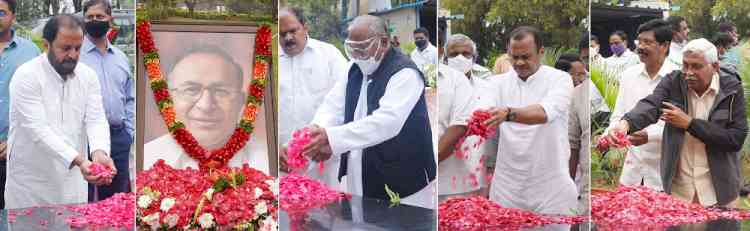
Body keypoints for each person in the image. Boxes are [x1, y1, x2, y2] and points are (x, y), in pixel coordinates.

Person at [302, 15, 436, 208]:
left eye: (362, 48)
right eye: (352, 48)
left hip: (402, 175)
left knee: (401, 221)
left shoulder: (405, 72)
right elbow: (333, 105)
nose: (356, 55)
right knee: (364, 220)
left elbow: (386, 123)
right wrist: (318, 128)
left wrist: (331, 138)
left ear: (383, 42)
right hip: (361, 168)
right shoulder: (354, 68)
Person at [606, 38, 747, 207]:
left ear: (715, 67)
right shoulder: (674, 82)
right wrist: (626, 124)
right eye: (685, 65)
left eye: (696, 66)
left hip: (720, 192)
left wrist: (690, 124)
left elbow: (735, 138)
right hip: (679, 192)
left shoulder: (731, 89)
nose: (688, 72)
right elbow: (652, 104)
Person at [5, 14, 114, 209]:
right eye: (65, 48)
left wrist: (99, 152)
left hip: (73, 184)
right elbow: (38, 130)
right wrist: (80, 160)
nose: (73, 55)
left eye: (78, 48)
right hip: (31, 187)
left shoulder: (87, 76)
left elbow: (96, 118)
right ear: (46, 45)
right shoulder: (26, 75)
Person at [482, 26, 577, 216]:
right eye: (514, 57)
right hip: (507, 189)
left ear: (541, 52)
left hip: (551, 189)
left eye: (525, 56)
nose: (519, 62)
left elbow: (544, 113)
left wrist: (508, 114)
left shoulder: (560, 79)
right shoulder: (496, 83)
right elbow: (483, 113)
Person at [143, 47, 269, 174]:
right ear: (169, 98)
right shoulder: (146, 160)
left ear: (240, 101)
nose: (206, 105)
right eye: (191, 90)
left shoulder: (267, 163)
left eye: (221, 91)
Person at [278, 7, 348, 188]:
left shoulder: (329, 55)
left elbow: (347, 99)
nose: (288, 38)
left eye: (293, 31)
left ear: (305, 27)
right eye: (282, 34)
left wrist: (331, 140)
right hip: (284, 160)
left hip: (324, 157)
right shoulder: (270, 61)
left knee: (328, 211)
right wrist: (275, 148)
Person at [607, 19, 679, 191]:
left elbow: (679, 124)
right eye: (639, 41)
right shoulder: (628, 76)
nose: (641, 47)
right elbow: (618, 114)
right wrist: (613, 131)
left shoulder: (678, 78)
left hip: (663, 176)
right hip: (631, 174)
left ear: (664, 46)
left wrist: (650, 135)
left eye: (648, 42)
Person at [79, 0, 134, 201]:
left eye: (99, 17)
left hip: (119, 137)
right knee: (88, 200)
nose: (94, 21)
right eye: (90, 17)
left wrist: (129, 131)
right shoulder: (75, 56)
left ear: (110, 19)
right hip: (85, 139)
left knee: (118, 199)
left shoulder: (120, 58)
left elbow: (129, 97)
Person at [0, 0, 41, 209]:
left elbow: (41, 101)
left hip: (18, 151)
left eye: (1, 13)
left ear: (13, 17)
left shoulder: (31, 52)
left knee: (16, 212)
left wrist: (15, 139)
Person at [436, 28, 477, 201]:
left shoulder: (491, 87)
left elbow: (461, 127)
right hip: (433, 180)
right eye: (454, 54)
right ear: (445, 57)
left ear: (474, 58)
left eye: (466, 54)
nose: (460, 58)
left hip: (469, 178)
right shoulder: (431, 78)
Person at [555, 53, 591, 221]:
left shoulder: (617, 84)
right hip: (578, 179)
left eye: (581, 74)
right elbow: (573, 144)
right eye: (586, 56)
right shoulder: (576, 94)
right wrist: (567, 186)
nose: (578, 78)